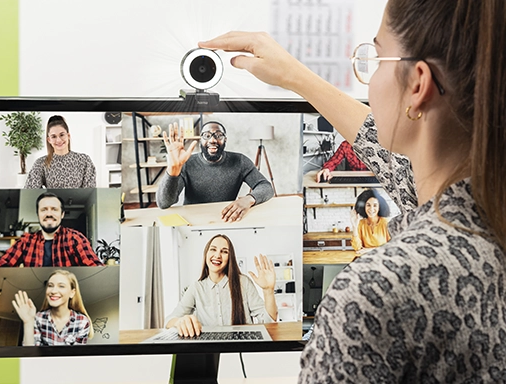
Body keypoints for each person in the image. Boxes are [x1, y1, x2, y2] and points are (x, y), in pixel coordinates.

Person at [200, 0, 506, 381]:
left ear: (418, 84)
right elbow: (386, 155)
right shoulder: (486, 211)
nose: (369, 76)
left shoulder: (372, 294)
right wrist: (296, 76)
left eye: (377, 57)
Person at [156, 121, 274, 222]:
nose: (212, 140)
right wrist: (173, 168)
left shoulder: (240, 161)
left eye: (219, 135)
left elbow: (265, 187)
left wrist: (249, 199)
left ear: (225, 139)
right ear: (200, 139)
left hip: (226, 217)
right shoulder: (187, 163)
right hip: (193, 220)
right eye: (206, 135)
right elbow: (164, 203)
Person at [165, 234, 277, 337]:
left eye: (224, 251)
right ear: (206, 254)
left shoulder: (244, 282)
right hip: (209, 349)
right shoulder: (196, 288)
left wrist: (268, 291)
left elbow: (270, 320)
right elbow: (169, 321)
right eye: (213, 249)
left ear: (230, 258)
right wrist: (180, 321)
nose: (217, 255)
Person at [0, 192, 103, 267]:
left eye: (54, 209)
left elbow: (95, 268)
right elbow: (1, 267)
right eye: (44, 210)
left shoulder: (76, 238)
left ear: (62, 215)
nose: (49, 214)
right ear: (38, 214)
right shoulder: (25, 241)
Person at [12, 269, 93, 346]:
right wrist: (28, 322)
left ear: (72, 292)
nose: (53, 291)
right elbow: (30, 354)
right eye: (50, 286)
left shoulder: (82, 322)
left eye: (61, 286)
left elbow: (77, 358)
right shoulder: (38, 318)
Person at [25, 115, 96, 189]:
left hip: (78, 201)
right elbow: (29, 191)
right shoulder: (41, 163)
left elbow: (90, 192)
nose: (58, 140)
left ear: (68, 136)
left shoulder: (84, 161)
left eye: (62, 135)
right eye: (54, 136)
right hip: (51, 201)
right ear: (49, 140)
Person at [350, 189, 391, 255]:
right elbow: (357, 248)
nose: (371, 209)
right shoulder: (361, 223)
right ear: (364, 207)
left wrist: (370, 250)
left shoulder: (386, 223)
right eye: (368, 205)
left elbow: (391, 247)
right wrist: (354, 227)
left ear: (379, 207)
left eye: (375, 205)